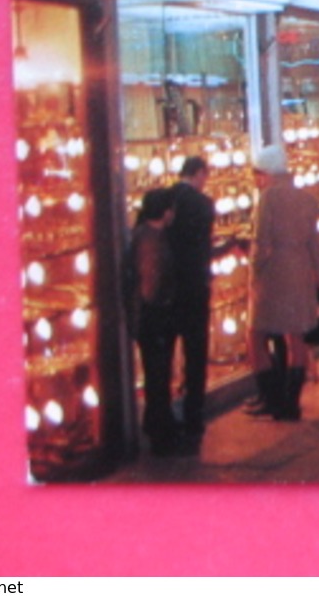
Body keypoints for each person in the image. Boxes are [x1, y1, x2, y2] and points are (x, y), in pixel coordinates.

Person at [246, 144, 319, 421]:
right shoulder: (306, 199)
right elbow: (315, 241)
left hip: (275, 272)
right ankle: (291, 402)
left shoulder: (268, 198)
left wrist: (254, 274)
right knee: (296, 338)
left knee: (255, 335)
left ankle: (273, 397)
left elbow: (261, 240)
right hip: (301, 269)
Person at [125, 187, 180, 454]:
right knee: (158, 375)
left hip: (151, 317)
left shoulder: (146, 235)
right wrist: (164, 305)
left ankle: (157, 423)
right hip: (155, 317)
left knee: (157, 374)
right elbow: (150, 285)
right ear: (165, 211)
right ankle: (161, 432)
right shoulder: (151, 240)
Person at [166, 155, 215, 448]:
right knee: (196, 353)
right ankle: (194, 414)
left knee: (168, 351)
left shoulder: (165, 199)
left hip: (169, 288)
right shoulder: (202, 204)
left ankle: (169, 411)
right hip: (195, 286)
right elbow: (203, 246)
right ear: (198, 174)